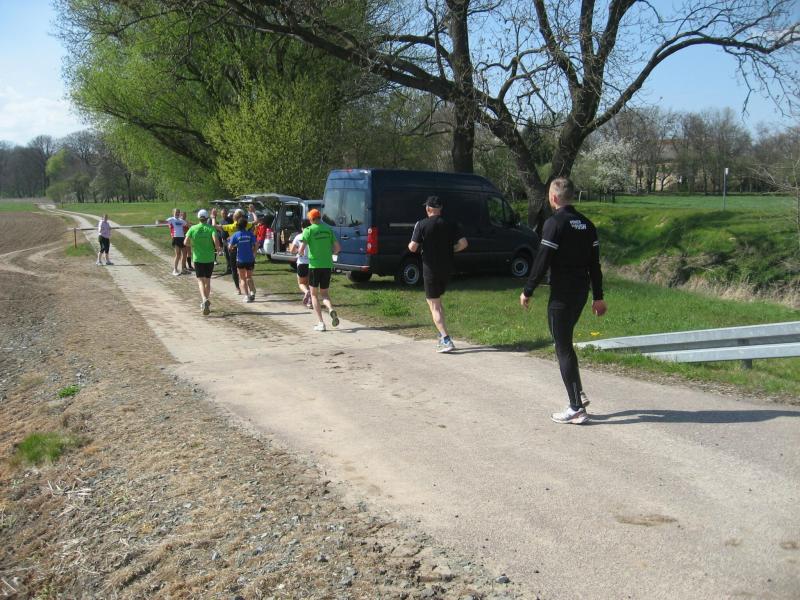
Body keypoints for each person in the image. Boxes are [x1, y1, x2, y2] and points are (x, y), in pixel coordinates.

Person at [519, 177, 607, 425]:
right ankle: (577, 393)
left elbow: (542, 259)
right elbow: (595, 265)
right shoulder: (587, 224)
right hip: (580, 293)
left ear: (554, 197)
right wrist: (598, 297)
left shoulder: (554, 223)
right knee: (565, 342)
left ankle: (576, 407)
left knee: (562, 346)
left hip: (561, 295)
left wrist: (528, 290)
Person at [408, 195, 468, 353]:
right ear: (440, 209)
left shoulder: (421, 224)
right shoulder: (452, 223)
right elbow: (463, 244)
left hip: (431, 270)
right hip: (447, 269)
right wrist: (451, 250)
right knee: (437, 303)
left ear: (428, 208)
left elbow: (413, 247)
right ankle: (442, 335)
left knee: (434, 305)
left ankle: (446, 340)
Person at [298, 209, 341, 331]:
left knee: (314, 295)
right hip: (327, 265)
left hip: (314, 266)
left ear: (311, 219)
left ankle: (321, 323)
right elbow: (338, 248)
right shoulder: (328, 229)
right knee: (325, 294)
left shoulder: (308, 230)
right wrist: (330, 253)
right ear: (319, 217)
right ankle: (331, 309)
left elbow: (301, 250)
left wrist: (300, 254)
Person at [185, 209, 221, 315]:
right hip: (209, 258)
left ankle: (204, 299)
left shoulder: (193, 228)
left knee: (200, 281)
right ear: (207, 218)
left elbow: (185, 242)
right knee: (207, 281)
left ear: (198, 217)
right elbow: (216, 243)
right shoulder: (211, 228)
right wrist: (218, 249)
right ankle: (205, 301)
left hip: (198, 258)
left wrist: (193, 245)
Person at [228, 216, 258, 302]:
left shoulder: (235, 235)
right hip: (250, 259)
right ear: (246, 225)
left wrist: (234, 246)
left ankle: (247, 296)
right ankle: (252, 292)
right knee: (249, 277)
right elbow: (256, 244)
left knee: (242, 278)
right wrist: (254, 253)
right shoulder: (250, 234)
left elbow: (230, 247)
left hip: (240, 260)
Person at [155, 208, 187, 276]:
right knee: (178, 254)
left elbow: (187, 224)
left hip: (182, 238)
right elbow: (164, 221)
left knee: (184, 254)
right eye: (176, 212)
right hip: (176, 238)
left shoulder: (181, 220)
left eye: (178, 212)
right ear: (173, 213)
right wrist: (158, 221)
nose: (177, 213)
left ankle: (183, 269)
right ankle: (175, 270)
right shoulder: (171, 219)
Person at [288, 219, 312, 307]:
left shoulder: (298, 237)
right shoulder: (313, 236)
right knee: (310, 284)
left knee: (301, 283)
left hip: (302, 262)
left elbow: (292, 250)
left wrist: (297, 250)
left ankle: (306, 292)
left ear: (302, 227)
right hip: (312, 263)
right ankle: (310, 302)